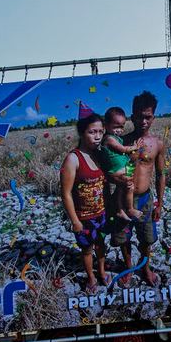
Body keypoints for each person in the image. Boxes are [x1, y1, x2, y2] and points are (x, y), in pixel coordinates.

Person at [112, 90, 165, 288]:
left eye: (148, 117)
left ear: (153, 117)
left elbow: (161, 174)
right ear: (131, 116)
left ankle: (145, 267)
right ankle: (128, 267)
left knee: (146, 238)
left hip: (145, 200)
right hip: (122, 199)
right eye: (139, 116)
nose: (143, 121)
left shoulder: (157, 143)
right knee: (123, 238)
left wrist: (160, 203)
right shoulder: (121, 143)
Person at [60, 112, 110, 294]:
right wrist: (75, 221)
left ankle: (103, 272)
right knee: (87, 249)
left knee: (101, 244)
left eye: (100, 132)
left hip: (102, 213)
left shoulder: (101, 154)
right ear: (82, 133)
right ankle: (91, 277)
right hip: (84, 216)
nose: (97, 136)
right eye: (92, 132)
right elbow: (65, 193)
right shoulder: (73, 158)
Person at [100, 107, 141, 221]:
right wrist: (135, 147)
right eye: (116, 126)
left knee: (122, 188)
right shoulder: (109, 138)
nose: (119, 130)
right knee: (129, 186)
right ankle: (129, 209)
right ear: (106, 125)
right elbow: (123, 149)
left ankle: (120, 210)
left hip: (121, 166)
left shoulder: (116, 138)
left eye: (122, 126)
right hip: (116, 169)